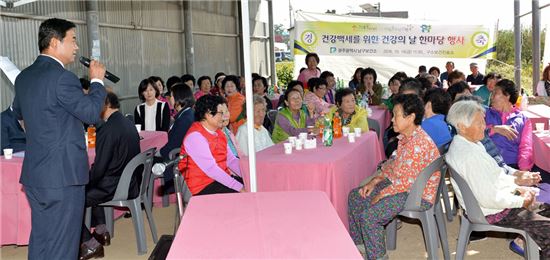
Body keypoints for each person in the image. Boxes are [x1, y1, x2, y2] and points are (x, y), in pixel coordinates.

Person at [11, 18, 107, 260]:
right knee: (63, 245)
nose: (76, 47)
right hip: (62, 177)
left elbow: (19, 116)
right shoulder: (62, 77)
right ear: (55, 42)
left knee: (42, 240)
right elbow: (91, 113)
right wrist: (96, 81)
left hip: (37, 175)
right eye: (72, 40)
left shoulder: (24, 77)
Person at [445, 100, 550, 259]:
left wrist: (518, 188)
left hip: (498, 202)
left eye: (483, 121)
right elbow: (490, 198)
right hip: (494, 210)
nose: (484, 126)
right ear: (462, 126)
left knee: (546, 209)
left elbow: (496, 176)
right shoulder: (468, 155)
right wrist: (520, 200)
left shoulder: (471, 143)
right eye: (479, 122)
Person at [348, 94, 440, 260]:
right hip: (404, 185)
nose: (391, 120)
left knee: (370, 217)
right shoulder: (406, 137)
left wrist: (380, 194)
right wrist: (376, 180)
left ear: (410, 117)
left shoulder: (417, 143)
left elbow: (405, 183)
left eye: (396, 115)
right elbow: (395, 166)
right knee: (356, 196)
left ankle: (378, 257)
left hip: (416, 194)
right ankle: (361, 247)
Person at [80, 92, 140, 259]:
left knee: (72, 200)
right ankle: (102, 231)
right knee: (92, 185)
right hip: (129, 182)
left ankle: (90, 245)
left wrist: (86, 181)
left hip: (113, 186)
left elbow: (100, 168)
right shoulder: (127, 123)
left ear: (104, 105)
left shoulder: (107, 129)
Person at [178, 95, 244, 195]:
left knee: (253, 185)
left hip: (217, 180)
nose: (225, 116)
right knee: (244, 195)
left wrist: (247, 175)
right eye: (221, 113)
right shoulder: (195, 137)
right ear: (208, 114)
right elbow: (211, 169)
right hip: (201, 186)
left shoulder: (219, 132)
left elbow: (231, 160)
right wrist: (240, 188)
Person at [486, 79, 533, 171]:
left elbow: (526, 148)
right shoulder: (484, 113)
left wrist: (524, 171)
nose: (491, 97)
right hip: (488, 164)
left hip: (512, 166)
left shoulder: (523, 119)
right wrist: (494, 129)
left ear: (507, 96)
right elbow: (472, 135)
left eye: (495, 93)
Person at [158, 83, 195, 191]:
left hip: (177, 157)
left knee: (146, 163)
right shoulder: (186, 114)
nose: (170, 99)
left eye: (172, 96)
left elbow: (174, 144)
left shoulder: (184, 119)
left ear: (179, 98)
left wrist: (159, 152)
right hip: (179, 154)